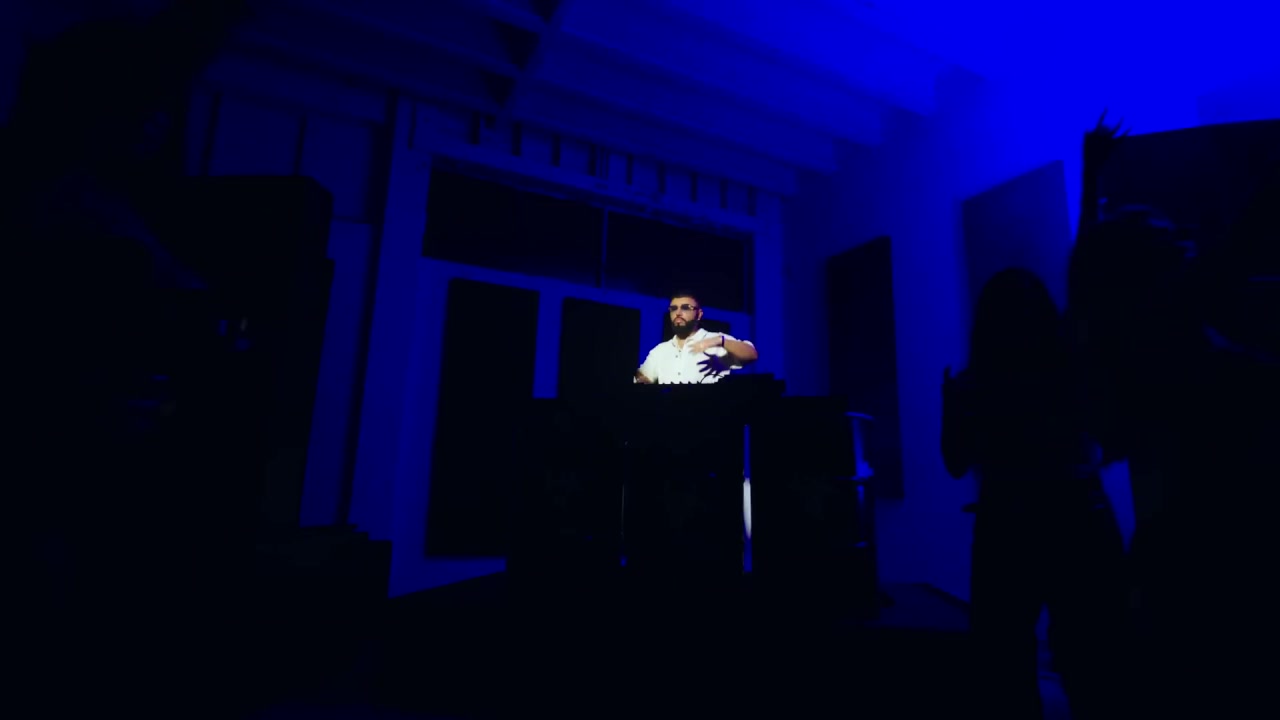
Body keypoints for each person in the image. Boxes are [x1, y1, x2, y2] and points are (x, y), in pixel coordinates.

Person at [943, 268, 1129, 720]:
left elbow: (955, 462)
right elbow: (1111, 438)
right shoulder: (1070, 373)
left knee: (1005, 663)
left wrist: (955, 405)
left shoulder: (974, 385)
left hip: (1007, 522)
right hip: (1078, 515)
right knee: (1095, 663)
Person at [634, 291, 759, 384]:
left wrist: (721, 341)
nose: (678, 313)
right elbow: (642, 380)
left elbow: (752, 354)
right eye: (673, 309)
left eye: (685, 308)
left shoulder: (715, 340)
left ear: (699, 314)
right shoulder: (660, 351)